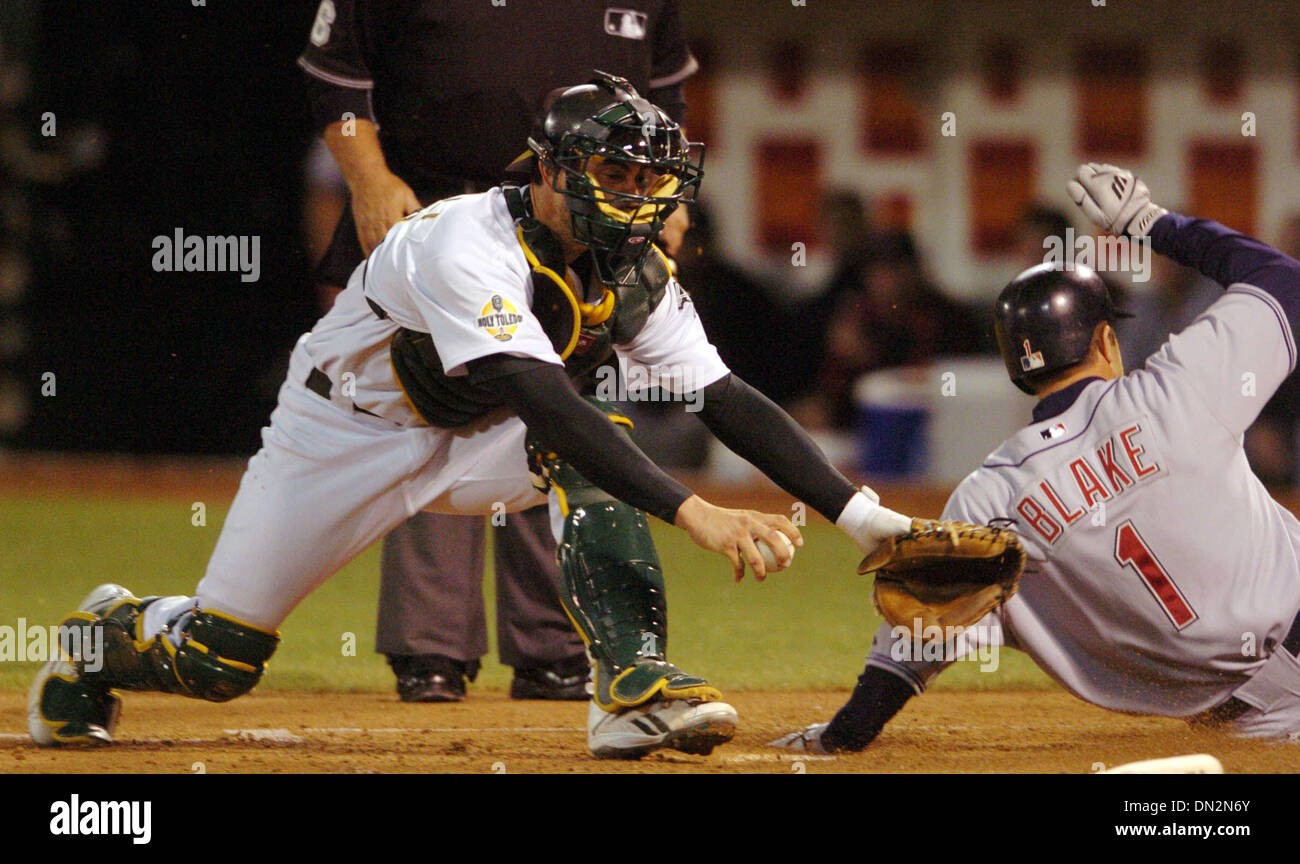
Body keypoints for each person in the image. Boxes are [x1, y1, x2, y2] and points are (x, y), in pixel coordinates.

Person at [29, 75, 926, 760]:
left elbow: (722, 396)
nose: (640, 194)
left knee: (586, 443)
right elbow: (538, 392)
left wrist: (865, 518)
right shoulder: (465, 243)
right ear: (549, 168)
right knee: (215, 665)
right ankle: (101, 634)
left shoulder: (632, 268)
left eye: (652, 176)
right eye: (616, 171)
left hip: (476, 435)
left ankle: (631, 690)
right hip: (342, 430)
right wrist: (695, 512)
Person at [772, 162, 1300, 753]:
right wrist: (1150, 224)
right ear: (1105, 340)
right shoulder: (1176, 389)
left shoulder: (990, 495)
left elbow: (921, 638)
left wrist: (844, 735)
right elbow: (1283, 278)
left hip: (1247, 720)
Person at [297, 0, 699, 702]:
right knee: (436, 408)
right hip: (434, 211)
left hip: (586, 224)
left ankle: (558, 647)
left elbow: (665, 99)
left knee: (570, 418)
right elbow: (338, 76)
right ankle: (431, 650)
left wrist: (663, 198)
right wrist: (366, 177)